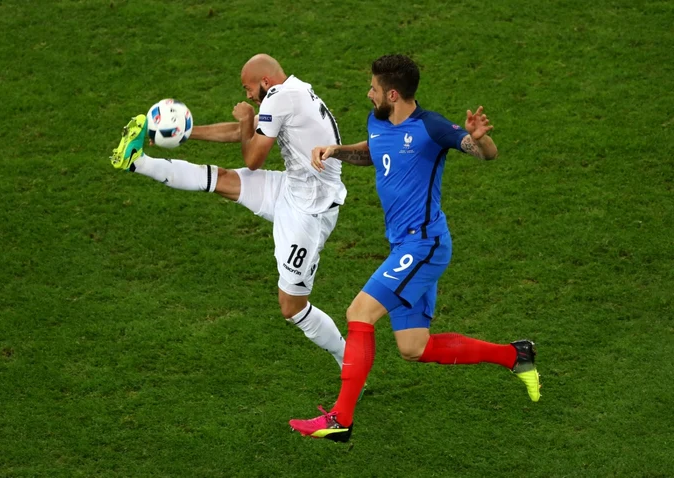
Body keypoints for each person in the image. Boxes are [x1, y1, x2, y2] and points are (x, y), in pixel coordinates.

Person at [289, 54, 541, 442]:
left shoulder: (432, 127)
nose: (368, 93)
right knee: (413, 347)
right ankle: (515, 355)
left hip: (424, 244)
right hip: (405, 245)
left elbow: (485, 154)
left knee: (359, 312)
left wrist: (480, 139)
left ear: (392, 93)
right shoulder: (378, 120)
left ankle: (341, 419)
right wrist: (336, 150)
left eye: (373, 88)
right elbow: (377, 152)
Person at [110, 54, 348, 370]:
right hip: (294, 189)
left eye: (248, 88)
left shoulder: (280, 98)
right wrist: (182, 130)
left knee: (291, 307)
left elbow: (252, 159)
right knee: (220, 179)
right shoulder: (291, 92)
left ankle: (348, 359)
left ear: (265, 82)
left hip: (309, 212)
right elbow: (242, 133)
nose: (247, 95)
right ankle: (135, 161)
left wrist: (248, 118)